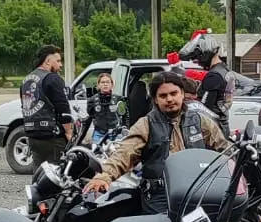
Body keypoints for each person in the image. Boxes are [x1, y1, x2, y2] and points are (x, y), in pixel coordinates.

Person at [85, 69, 227, 213]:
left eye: (174, 93)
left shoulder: (200, 120)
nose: (170, 99)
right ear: (155, 100)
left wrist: (243, 164)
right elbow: (124, 152)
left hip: (196, 192)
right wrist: (105, 176)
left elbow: (225, 149)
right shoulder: (146, 124)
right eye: (163, 95)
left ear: (182, 94)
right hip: (159, 195)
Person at [21, 45, 74, 171]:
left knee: (39, 173)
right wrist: (69, 132)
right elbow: (63, 107)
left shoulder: (26, 80)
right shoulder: (52, 78)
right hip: (52, 136)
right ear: (48, 61)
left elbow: (25, 105)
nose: (60, 65)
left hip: (32, 134)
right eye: (58, 61)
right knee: (55, 174)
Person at [198, 46, 234, 137]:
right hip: (223, 122)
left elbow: (204, 106)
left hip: (214, 127)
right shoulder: (225, 70)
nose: (198, 61)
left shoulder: (214, 75)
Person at [86, 72, 122, 145]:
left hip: (115, 134)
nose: (105, 84)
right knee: (95, 154)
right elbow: (91, 114)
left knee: (119, 154)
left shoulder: (118, 99)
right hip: (99, 133)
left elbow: (125, 116)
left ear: (112, 85)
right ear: (98, 85)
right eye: (103, 82)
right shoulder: (92, 100)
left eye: (107, 82)